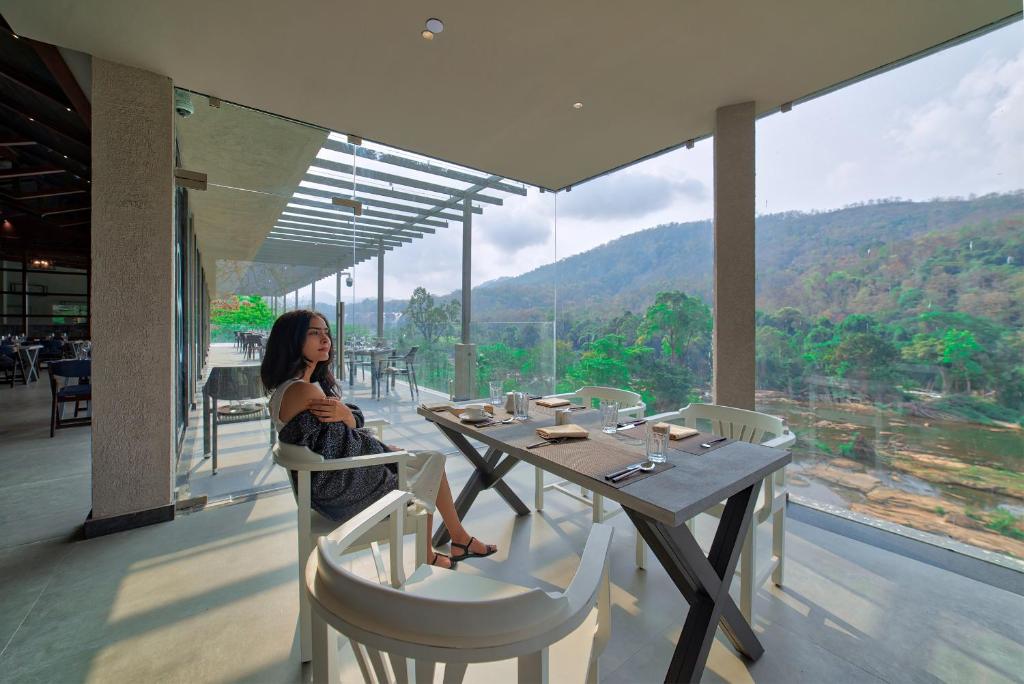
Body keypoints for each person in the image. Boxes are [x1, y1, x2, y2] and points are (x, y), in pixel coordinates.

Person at [261, 310, 496, 569]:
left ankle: (458, 538)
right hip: (342, 491)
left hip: (333, 483)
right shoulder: (303, 391)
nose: (325, 339)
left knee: (431, 460)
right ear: (292, 340)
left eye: (326, 332)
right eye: (314, 333)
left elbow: (347, 429)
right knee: (432, 465)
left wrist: (351, 419)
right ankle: (434, 550)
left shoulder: (296, 387)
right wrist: (382, 447)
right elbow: (345, 440)